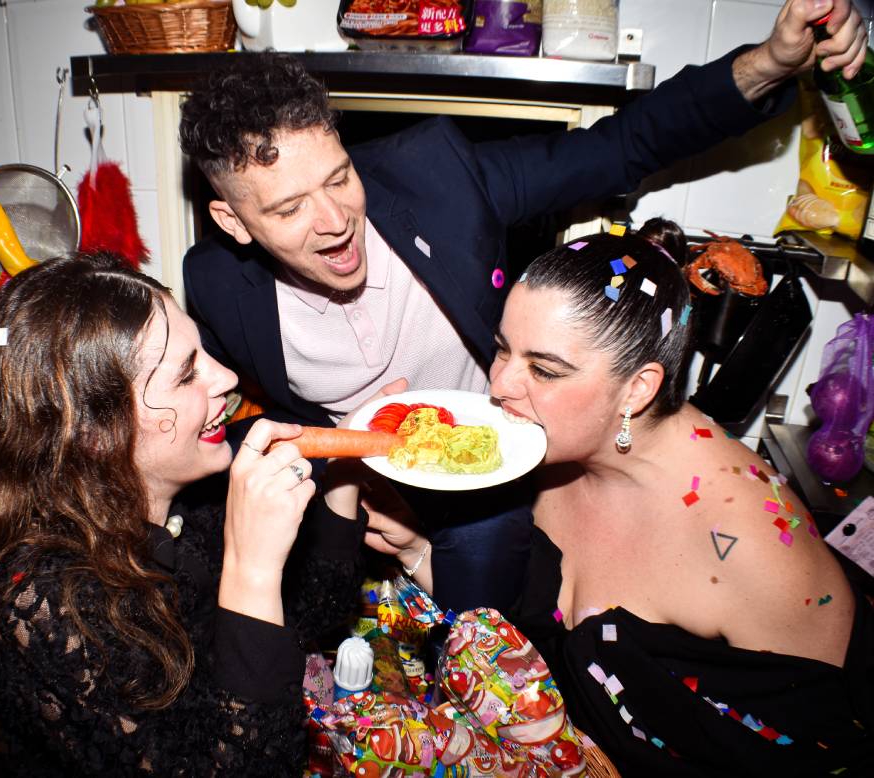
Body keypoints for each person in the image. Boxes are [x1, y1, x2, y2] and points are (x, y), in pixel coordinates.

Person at [179, 0, 868, 615]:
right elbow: (224, 416)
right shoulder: (213, 284)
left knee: (485, 648)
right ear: (233, 222)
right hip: (351, 482)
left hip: (484, 480)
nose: (334, 221)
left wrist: (769, 64)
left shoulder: (435, 179)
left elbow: (617, 147)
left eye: (338, 178)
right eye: (290, 207)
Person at [364, 218, 874, 775]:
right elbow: (526, 642)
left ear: (638, 388)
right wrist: (419, 551)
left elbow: (816, 749)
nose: (500, 386)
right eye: (503, 350)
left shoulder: (752, 549)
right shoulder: (538, 451)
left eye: (544, 369)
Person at [0, 253, 376, 776]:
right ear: (94, 434)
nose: (226, 376)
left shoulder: (195, 490)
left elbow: (314, 615)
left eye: (202, 352)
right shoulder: (39, 604)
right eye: (186, 375)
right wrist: (251, 571)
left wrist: (346, 469)